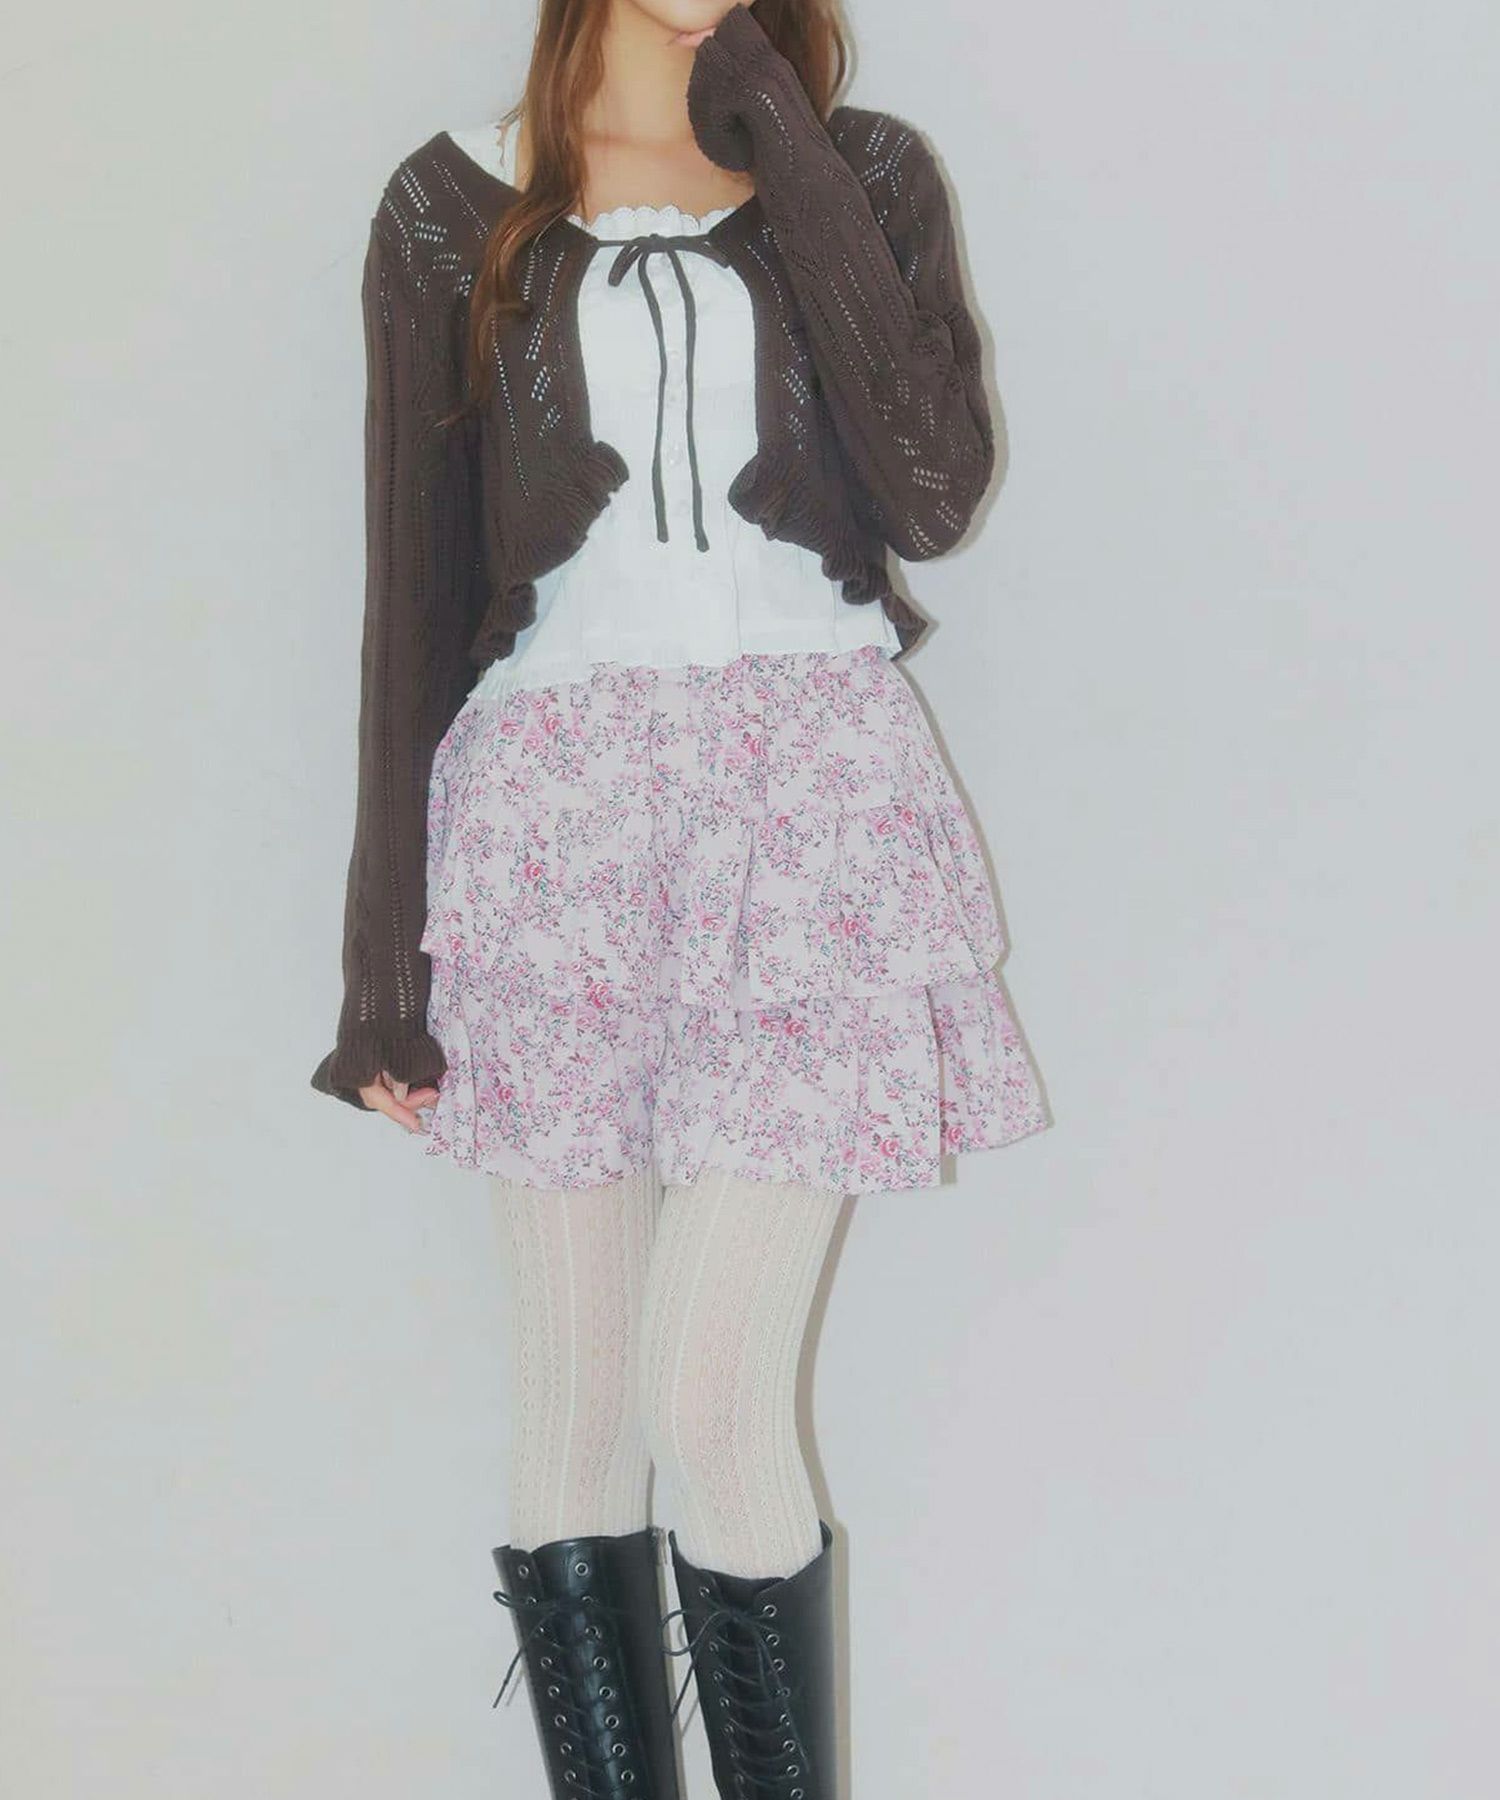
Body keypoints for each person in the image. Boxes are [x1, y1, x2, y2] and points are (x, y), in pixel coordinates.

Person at [309, 2, 1050, 1792]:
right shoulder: (449, 206)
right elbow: (412, 589)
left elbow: (934, 488)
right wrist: (382, 969)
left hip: (817, 819)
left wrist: (775, 127)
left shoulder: (862, 172)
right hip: (547, 826)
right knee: (575, 1411)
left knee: (711, 1395)